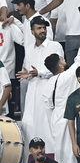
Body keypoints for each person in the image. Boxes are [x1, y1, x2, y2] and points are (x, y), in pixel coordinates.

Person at [44, 11, 80, 163]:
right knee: (75, 155)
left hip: (56, 119)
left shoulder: (49, 83)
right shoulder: (68, 75)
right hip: (71, 117)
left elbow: (48, 107)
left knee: (61, 155)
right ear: (59, 64)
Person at [18, 16, 64, 152]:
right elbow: (27, 70)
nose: (43, 30)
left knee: (49, 129)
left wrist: (39, 72)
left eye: (44, 27)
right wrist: (27, 75)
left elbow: (59, 70)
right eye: (39, 28)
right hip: (32, 93)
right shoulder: (29, 49)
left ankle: (52, 162)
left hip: (49, 93)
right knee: (29, 126)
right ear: (32, 32)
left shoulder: (55, 46)